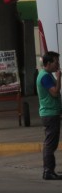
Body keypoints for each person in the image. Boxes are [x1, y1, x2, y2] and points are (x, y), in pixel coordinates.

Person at [37, 51, 62, 180]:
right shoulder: (45, 76)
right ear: (48, 63)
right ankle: (48, 171)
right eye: (56, 62)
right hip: (50, 113)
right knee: (50, 144)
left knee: (51, 143)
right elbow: (55, 93)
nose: (58, 64)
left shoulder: (46, 75)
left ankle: (50, 170)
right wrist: (59, 77)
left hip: (52, 112)